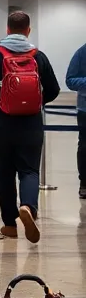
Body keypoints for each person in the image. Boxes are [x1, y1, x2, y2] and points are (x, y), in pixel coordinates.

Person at [0, 11, 61, 243]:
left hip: (1, 123)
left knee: (5, 173)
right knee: (30, 170)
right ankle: (28, 207)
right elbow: (53, 90)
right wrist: (34, 100)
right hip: (31, 122)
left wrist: (0, 96)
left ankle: (9, 224)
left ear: (8, 29)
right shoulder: (38, 56)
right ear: (28, 30)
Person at [69, 40, 86, 199]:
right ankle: (84, 183)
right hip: (85, 110)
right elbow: (70, 80)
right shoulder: (81, 53)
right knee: (85, 147)